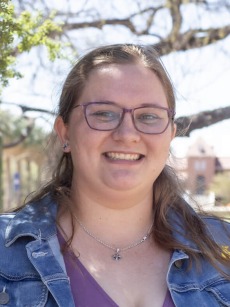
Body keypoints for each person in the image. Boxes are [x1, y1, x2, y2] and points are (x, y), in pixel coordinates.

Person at [0, 44, 230, 307]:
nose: (127, 134)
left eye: (148, 116)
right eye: (104, 113)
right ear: (64, 133)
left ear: (170, 134)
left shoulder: (223, 248)